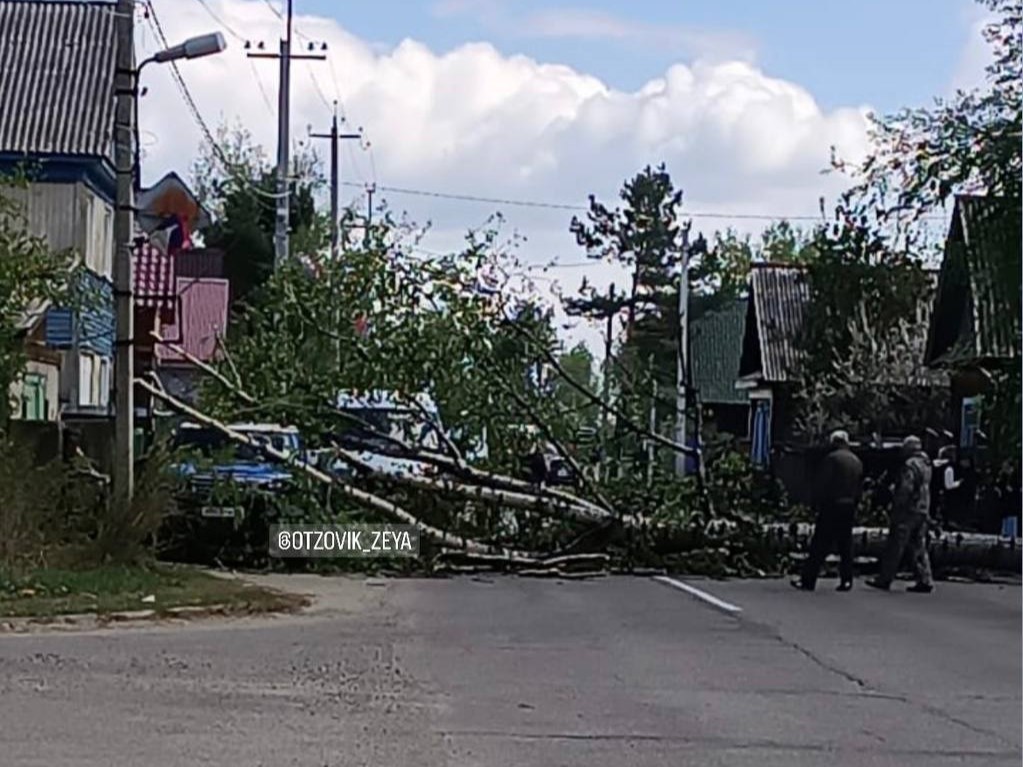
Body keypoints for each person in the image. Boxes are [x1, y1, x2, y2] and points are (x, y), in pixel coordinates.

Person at [792, 429, 863, 592]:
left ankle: (808, 580)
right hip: (849, 506)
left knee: (820, 543)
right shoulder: (856, 461)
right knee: (846, 544)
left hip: (832, 505)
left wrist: (815, 503)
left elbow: (823, 484)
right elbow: (859, 488)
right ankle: (847, 580)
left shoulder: (831, 459)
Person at [867, 435, 934, 593]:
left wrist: (896, 503)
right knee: (918, 545)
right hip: (923, 508)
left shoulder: (910, 465)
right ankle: (925, 578)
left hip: (907, 511)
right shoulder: (926, 464)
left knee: (895, 545)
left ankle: (885, 578)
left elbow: (906, 488)